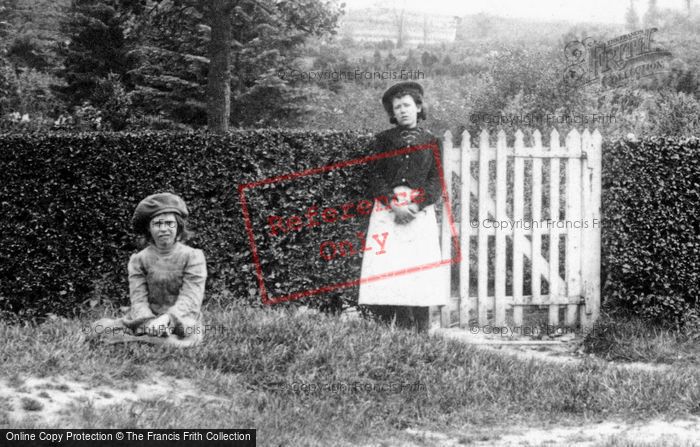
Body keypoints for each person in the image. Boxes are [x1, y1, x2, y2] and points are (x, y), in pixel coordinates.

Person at [358, 81, 448, 332]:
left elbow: (436, 180)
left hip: (419, 214)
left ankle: (420, 329)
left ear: (419, 107)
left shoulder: (432, 141)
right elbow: (374, 176)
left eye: (407, 105)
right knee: (389, 266)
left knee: (417, 268)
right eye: (397, 107)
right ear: (392, 113)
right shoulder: (382, 140)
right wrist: (392, 203)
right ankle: (386, 328)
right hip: (387, 213)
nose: (403, 111)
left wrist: (416, 205)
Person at [90, 192, 207, 347]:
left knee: (186, 339)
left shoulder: (193, 256)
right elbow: (138, 299)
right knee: (98, 328)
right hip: (146, 320)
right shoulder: (139, 260)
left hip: (182, 321)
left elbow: (191, 298)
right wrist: (150, 322)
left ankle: (137, 340)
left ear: (178, 226)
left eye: (169, 223)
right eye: (158, 224)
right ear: (149, 229)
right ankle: (149, 338)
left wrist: (167, 319)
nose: (164, 229)